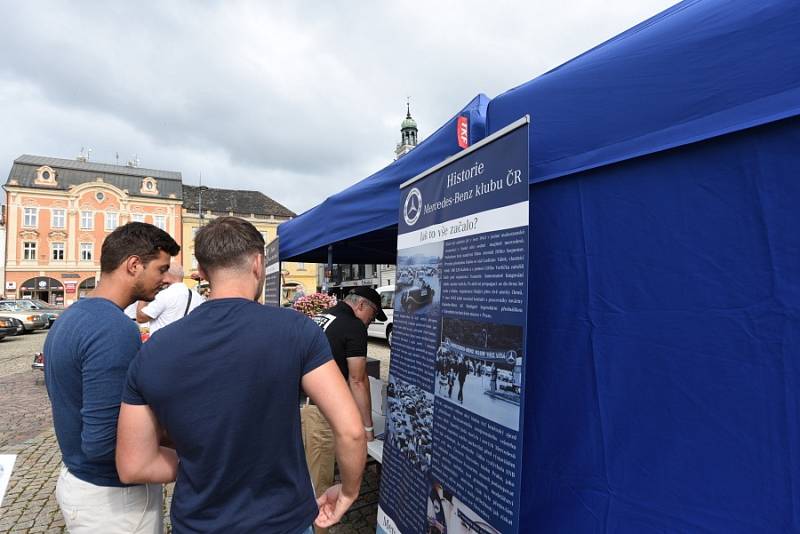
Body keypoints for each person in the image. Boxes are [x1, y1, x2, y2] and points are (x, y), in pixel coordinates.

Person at [116, 216, 366, 533]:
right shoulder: (296, 331)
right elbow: (351, 431)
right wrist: (348, 491)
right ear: (258, 264)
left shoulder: (153, 350)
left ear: (202, 272)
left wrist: (200, 464)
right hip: (284, 521)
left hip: (199, 523)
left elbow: (133, 465)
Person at [43, 222, 179, 533]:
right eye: (161, 269)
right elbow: (106, 444)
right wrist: (193, 456)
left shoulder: (72, 317)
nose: (166, 280)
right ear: (134, 265)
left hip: (83, 483)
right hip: (114, 503)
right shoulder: (113, 329)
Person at [305, 286, 386, 533]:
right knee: (321, 488)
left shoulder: (323, 316)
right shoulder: (353, 326)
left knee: (305, 477)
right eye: (371, 315)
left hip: (298, 406)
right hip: (321, 412)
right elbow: (358, 380)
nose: (371, 322)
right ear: (361, 305)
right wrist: (367, 428)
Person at [136, 262, 204, 334]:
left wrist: (144, 292)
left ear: (167, 275)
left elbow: (141, 318)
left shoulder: (164, 295)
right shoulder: (197, 296)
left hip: (163, 342)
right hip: (186, 341)